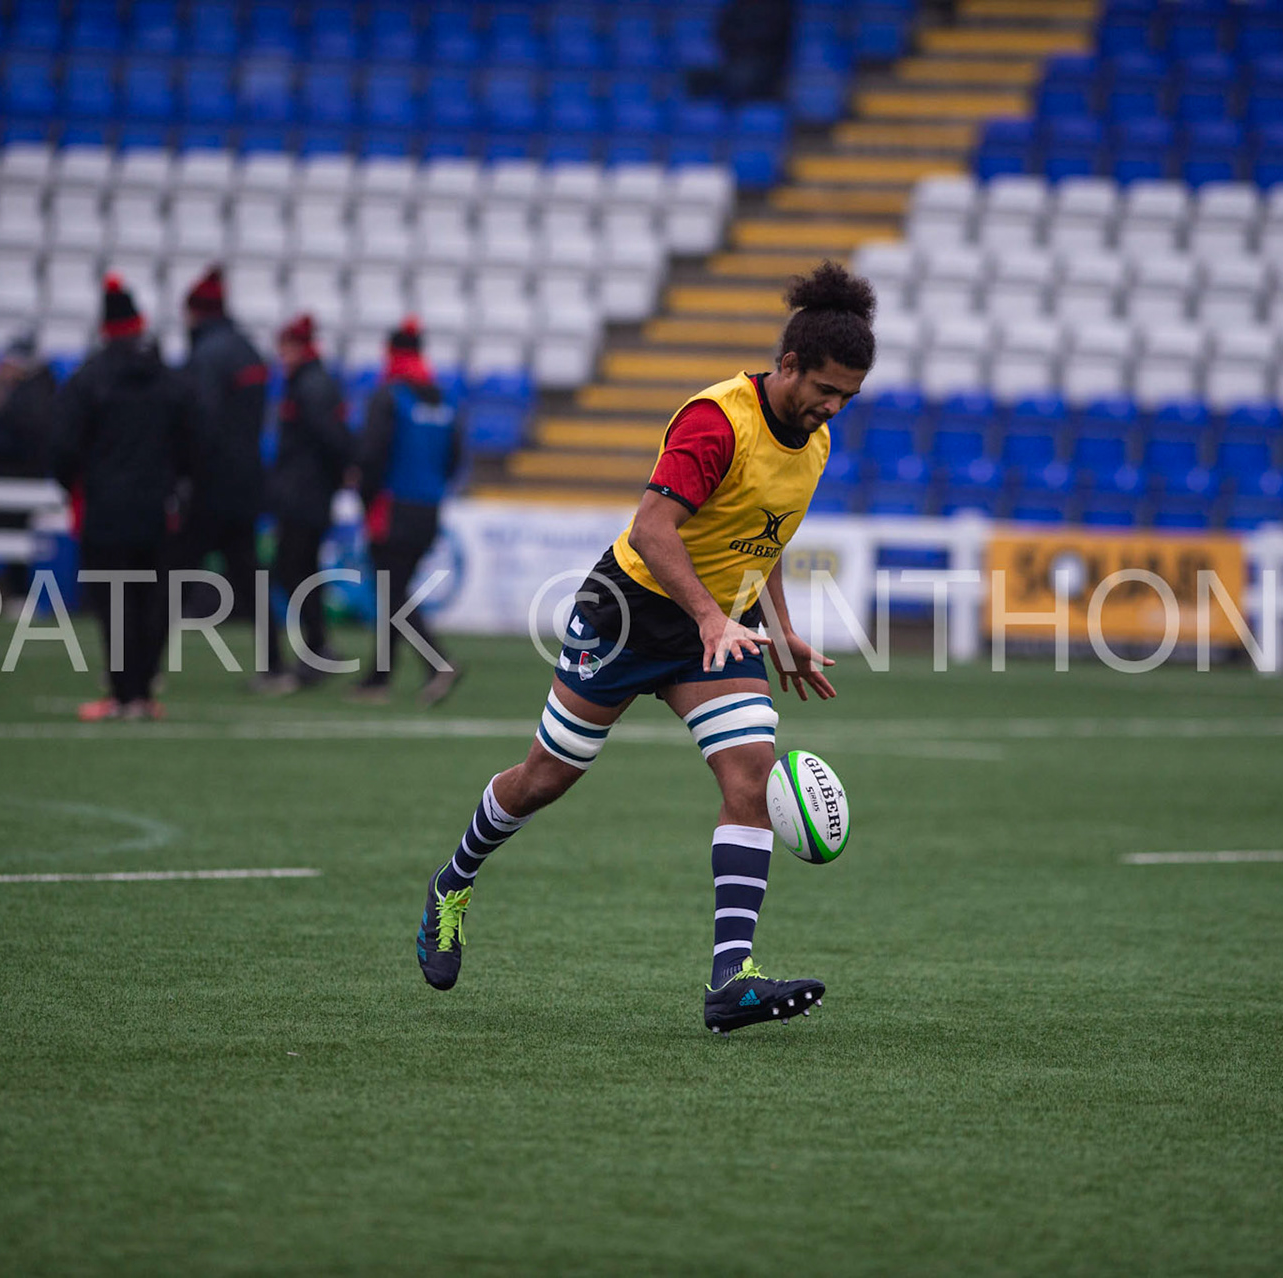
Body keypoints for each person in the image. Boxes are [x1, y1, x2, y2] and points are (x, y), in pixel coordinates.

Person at [413, 262, 873, 1034]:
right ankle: (451, 884)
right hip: (630, 611)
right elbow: (654, 529)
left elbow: (762, 539)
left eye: (847, 398)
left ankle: (733, 979)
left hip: (714, 628)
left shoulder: (815, 444)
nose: (833, 408)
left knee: (751, 773)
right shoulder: (716, 420)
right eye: (825, 389)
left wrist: (782, 627)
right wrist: (707, 617)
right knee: (544, 779)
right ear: (787, 364)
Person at [54, 276, 197, 722]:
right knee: (151, 601)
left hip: (106, 508)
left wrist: (79, 485)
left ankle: (121, 693)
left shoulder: (89, 379)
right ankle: (143, 690)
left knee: (113, 602)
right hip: (158, 507)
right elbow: (194, 442)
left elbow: (62, 446)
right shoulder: (169, 381)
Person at [351, 318, 463, 706]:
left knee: (391, 591)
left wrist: (366, 499)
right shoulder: (445, 400)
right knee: (394, 590)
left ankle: (437, 661)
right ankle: (378, 678)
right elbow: (454, 459)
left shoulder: (390, 397)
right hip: (428, 509)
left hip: (392, 507)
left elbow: (371, 454)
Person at [255, 313, 351, 694]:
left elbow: (329, 438)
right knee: (301, 571)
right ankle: (316, 647)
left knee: (291, 570)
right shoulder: (313, 382)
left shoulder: (309, 386)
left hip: (304, 495)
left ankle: (315, 648)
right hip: (308, 493)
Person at [172, 265, 268, 625]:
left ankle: (143, 667)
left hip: (211, 484)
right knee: (248, 577)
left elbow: (201, 423)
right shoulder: (248, 350)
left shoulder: (207, 356)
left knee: (175, 572)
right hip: (245, 480)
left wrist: (186, 473)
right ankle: (274, 663)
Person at [0, 332, 57, 598]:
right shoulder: (4, 386)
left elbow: (28, 429)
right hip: (6, 472)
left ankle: (26, 594)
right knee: (10, 540)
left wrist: (1, 405)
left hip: (26, 473)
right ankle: (16, 592)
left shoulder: (41, 389)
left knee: (26, 538)